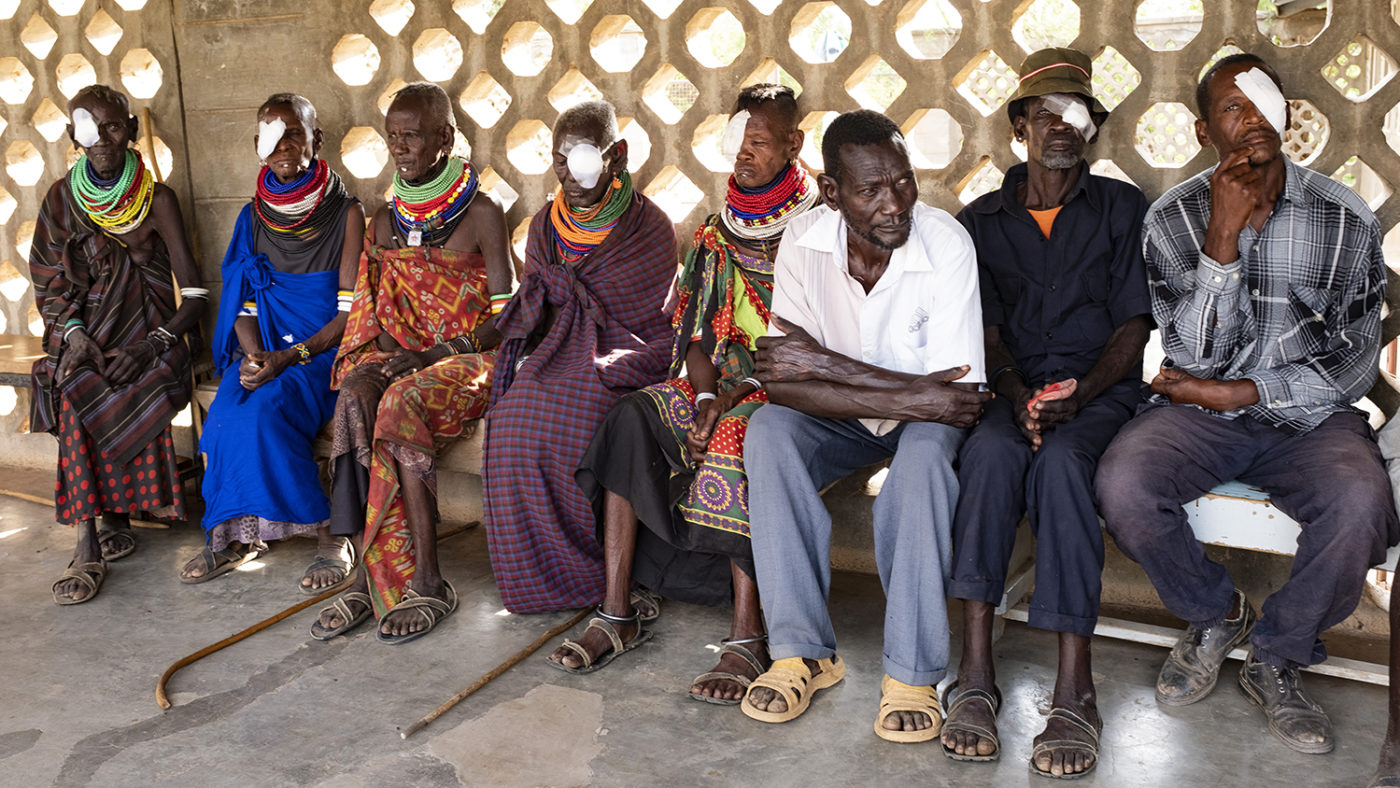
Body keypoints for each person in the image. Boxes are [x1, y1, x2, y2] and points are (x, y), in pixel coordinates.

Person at [1096, 53, 1396, 755]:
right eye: (1233, 108)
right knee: (1123, 482)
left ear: (1287, 116)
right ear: (1206, 131)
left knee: (1361, 503)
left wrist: (1252, 390)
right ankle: (1214, 613)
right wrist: (1222, 241)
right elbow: (1191, 358)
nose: (1253, 121)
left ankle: (1279, 652)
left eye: (1264, 103)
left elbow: (1354, 360)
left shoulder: (1342, 216)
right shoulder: (1172, 221)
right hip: (1201, 416)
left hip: (1312, 419)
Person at [552, 85, 816, 697]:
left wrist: (726, 401)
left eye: (759, 142)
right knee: (631, 417)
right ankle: (617, 612)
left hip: (793, 384)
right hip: (718, 380)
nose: (743, 155)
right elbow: (697, 334)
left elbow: (813, 346)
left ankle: (747, 635)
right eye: (737, 141)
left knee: (734, 434)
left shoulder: (816, 229)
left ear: (794, 145)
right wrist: (701, 396)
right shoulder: (715, 233)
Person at [739, 110, 991, 742]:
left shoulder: (947, 243)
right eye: (870, 190)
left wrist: (824, 364)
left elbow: (958, 400)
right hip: (851, 416)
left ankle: (912, 673)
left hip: (922, 426)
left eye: (903, 183)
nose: (894, 204)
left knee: (926, 462)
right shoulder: (802, 240)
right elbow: (784, 380)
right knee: (769, 433)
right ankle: (804, 653)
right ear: (831, 193)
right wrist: (904, 390)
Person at [940, 49, 1152, 778]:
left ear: (1093, 130)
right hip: (1009, 391)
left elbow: (1133, 327)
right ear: (1020, 127)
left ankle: (1074, 692)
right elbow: (986, 329)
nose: (1063, 125)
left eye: (1078, 114)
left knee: (1063, 468)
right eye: (1047, 113)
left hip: (1099, 394)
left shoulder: (1123, 211)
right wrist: (1017, 396)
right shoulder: (979, 223)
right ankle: (974, 675)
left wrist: (1080, 396)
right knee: (992, 457)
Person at [311, 83, 513, 644]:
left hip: (471, 359)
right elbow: (372, 313)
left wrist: (432, 355)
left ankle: (428, 579)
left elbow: (506, 319)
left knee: (400, 400)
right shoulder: (382, 221)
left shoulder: (482, 215)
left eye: (413, 136)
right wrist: (376, 361)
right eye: (393, 136)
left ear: (446, 139)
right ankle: (367, 577)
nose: (400, 147)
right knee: (354, 392)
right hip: (404, 357)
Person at [482, 100, 676, 614]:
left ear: (617, 156)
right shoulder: (546, 225)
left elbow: (651, 321)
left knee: (563, 419)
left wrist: (585, 343)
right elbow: (534, 309)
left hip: (627, 354)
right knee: (509, 425)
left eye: (583, 156)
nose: (569, 171)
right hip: (558, 354)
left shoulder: (649, 227)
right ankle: (543, 579)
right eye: (559, 159)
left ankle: (596, 575)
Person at [32, 85, 206, 604]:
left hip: (152, 335)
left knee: (125, 381)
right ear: (72, 136)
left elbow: (194, 295)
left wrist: (153, 345)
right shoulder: (61, 200)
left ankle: (117, 517)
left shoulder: (159, 199)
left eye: (112, 127)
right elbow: (47, 280)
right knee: (74, 383)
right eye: (90, 128)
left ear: (130, 129)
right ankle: (90, 538)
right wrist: (77, 335)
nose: (102, 139)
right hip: (85, 335)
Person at [188, 94, 363, 589]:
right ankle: (237, 536)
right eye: (272, 137)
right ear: (257, 147)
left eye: (295, 134)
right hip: (267, 351)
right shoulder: (252, 216)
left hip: (322, 354)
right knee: (226, 413)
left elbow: (349, 316)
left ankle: (331, 531)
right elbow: (243, 305)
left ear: (316, 140)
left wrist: (290, 357)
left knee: (266, 413)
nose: (284, 146)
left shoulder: (346, 214)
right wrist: (253, 355)